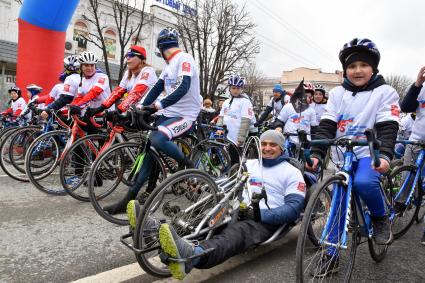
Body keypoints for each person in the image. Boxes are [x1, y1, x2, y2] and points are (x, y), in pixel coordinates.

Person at [152, 130, 306, 280]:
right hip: (237, 208)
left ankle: (193, 256)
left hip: (264, 219)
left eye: (272, 145)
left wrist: (259, 215)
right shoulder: (250, 164)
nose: (266, 148)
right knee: (204, 216)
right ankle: (152, 231)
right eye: (263, 144)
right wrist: (204, 186)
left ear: (281, 147)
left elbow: (294, 208)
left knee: (235, 234)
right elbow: (228, 182)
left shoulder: (292, 172)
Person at [306, 38, 400, 276]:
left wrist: (386, 155)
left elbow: (388, 127)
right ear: (345, 70)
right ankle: (331, 254)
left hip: (370, 152)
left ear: (373, 68)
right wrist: (317, 153)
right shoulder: (338, 93)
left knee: (364, 183)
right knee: (338, 199)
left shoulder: (384, 92)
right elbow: (327, 125)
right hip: (343, 154)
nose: (357, 70)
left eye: (363, 65)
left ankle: (380, 218)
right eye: (352, 66)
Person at [103, 27, 201, 214]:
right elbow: (156, 89)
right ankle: (128, 199)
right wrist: (139, 108)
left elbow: (183, 87)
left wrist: (157, 106)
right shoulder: (168, 66)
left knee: (157, 138)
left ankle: (185, 165)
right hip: (168, 112)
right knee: (148, 148)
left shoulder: (184, 59)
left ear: (161, 48)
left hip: (185, 115)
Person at [86, 45, 157, 116]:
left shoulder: (148, 71)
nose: (128, 58)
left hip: (153, 114)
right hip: (137, 113)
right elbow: (117, 92)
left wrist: (118, 111)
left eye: (131, 55)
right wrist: (100, 108)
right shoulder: (128, 73)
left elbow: (136, 93)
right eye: (127, 55)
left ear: (141, 59)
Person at [398, 66, 425, 225]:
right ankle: (400, 207)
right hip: (416, 140)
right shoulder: (419, 88)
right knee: (406, 176)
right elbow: (405, 107)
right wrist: (417, 84)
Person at [216, 74, 256, 147]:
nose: (235, 90)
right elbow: (221, 117)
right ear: (230, 88)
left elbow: (245, 121)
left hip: (237, 137)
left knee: (234, 158)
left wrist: (241, 138)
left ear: (241, 89)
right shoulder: (226, 102)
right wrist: (218, 129)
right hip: (225, 136)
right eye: (233, 88)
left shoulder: (245, 102)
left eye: (238, 88)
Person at [69, 51, 111, 118]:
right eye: (86, 65)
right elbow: (79, 98)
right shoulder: (82, 81)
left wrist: (77, 106)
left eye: (92, 65)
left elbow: (93, 93)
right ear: (81, 67)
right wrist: (69, 108)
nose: (89, 68)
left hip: (105, 115)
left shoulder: (103, 77)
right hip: (90, 115)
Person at [273, 80, 316, 145]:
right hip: (289, 140)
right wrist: (279, 127)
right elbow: (280, 120)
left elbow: (313, 128)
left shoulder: (311, 110)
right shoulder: (288, 106)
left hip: (306, 142)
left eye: (309, 96)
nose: (306, 97)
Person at [40, 55, 81, 119]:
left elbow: (65, 99)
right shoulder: (81, 78)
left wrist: (48, 109)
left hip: (73, 112)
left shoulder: (70, 78)